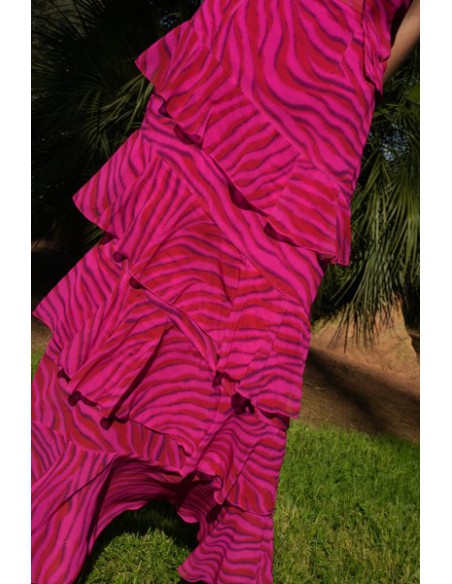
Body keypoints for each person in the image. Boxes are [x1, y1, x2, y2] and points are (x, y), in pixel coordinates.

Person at [31, 0, 420, 582]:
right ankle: (57, 479)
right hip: (244, 41)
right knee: (154, 260)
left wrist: (366, 73)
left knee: (271, 299)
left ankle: (214, 505)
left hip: (336, 91)